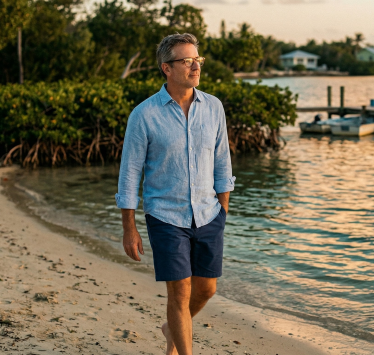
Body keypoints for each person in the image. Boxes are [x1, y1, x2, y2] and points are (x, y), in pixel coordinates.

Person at [115, 33, 235, 355]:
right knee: (179, 294)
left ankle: (171, 327)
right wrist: (130, 228)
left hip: (208, 213)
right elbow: (129, 175)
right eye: (187, 60)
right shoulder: (143, 115)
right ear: (166, 68)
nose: (195, 65)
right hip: (166, 215)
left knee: (206, 289)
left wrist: (222, 210)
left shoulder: (213, 108)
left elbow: (222, 162)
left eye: (198, 59)